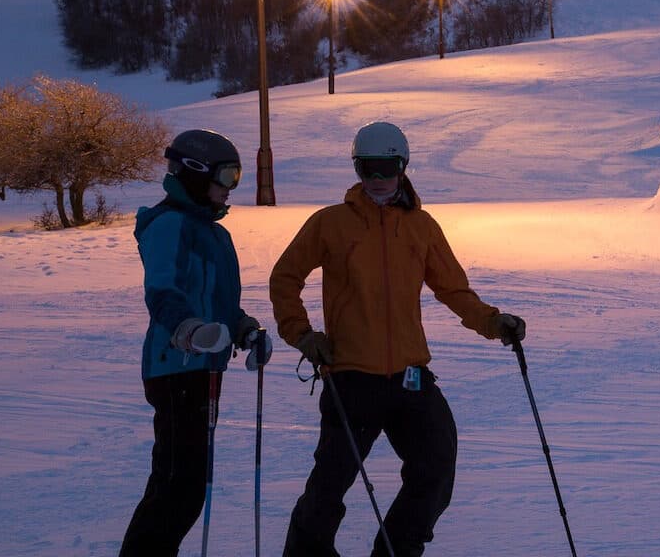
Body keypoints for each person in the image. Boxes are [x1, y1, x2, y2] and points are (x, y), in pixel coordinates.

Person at [270, 121, 526, 557]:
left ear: (402, 166)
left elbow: (453, 289)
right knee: (330, 485)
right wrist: (303, 335)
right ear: (356, 168)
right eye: (367, 169)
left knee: (435, 468)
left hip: (410, 376)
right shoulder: (331, 223)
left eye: (386, 167)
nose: (377, 179)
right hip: (351, 377)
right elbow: (285, 278)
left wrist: (493, 322)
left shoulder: (421, 226)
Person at [120, 129, 273, 557]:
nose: (230, 188)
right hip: (174, 369)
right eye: (226, 176)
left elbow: (222, 305)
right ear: (194, 174)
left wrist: (243, 330)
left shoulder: (216, 234)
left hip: (204, 370)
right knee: (178, 488)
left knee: (185, 486)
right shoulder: (169, 225)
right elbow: (163, 292)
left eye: (235, 177)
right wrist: (189, 330)